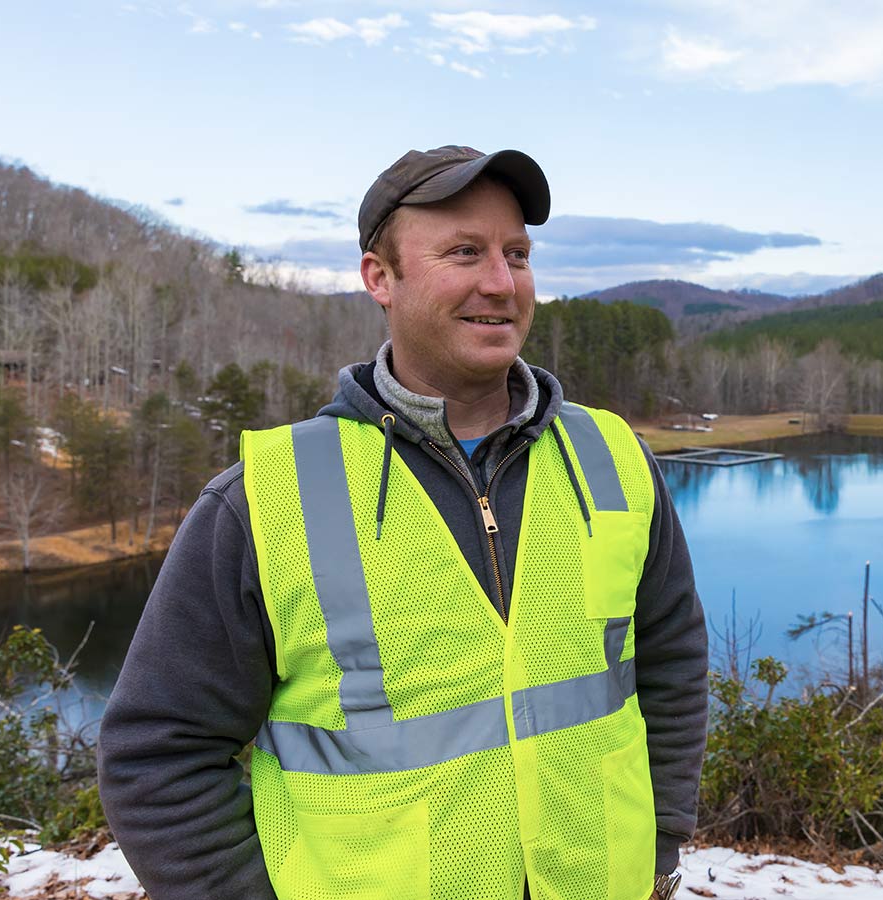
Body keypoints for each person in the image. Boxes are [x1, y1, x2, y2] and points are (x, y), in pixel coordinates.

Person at [97, 145, 708, 900]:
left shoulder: (612, 458)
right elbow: (157, 755)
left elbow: (672, 664)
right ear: (379, 278)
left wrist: (658, 847)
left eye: (516, 253)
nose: (500, 281)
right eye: (464, 252)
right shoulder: (267, 498)